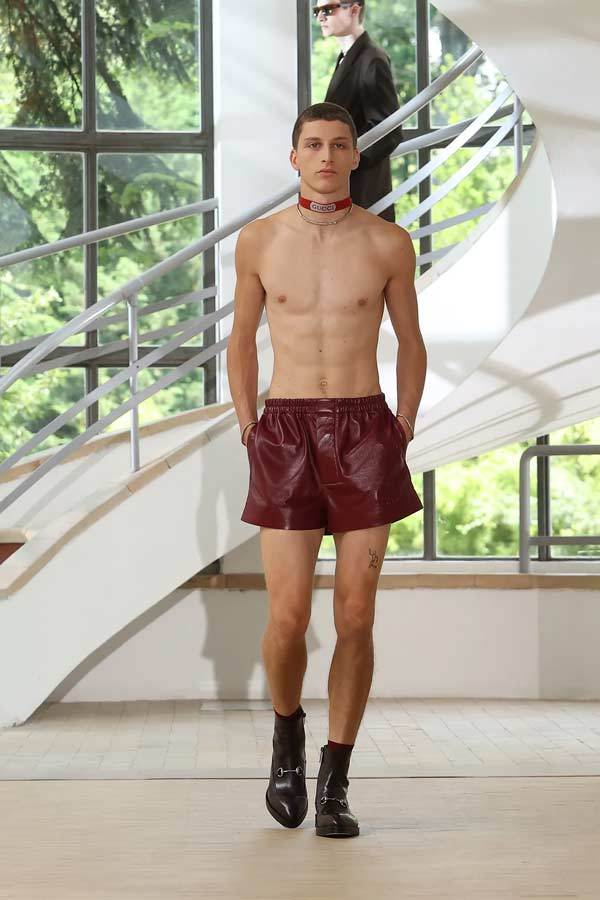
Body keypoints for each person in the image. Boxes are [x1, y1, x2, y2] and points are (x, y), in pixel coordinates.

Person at [226, 101, 426, 838]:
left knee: (356, 616)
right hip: (284, 431)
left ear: (354, 157)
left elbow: (411, 339)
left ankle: (335, 781)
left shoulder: (388, 242)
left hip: (366, 430)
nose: (326, 156)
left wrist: (403, 423)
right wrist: (248, 425)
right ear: (295, 157)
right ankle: (287, 737)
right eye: (313, 144)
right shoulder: (259, 241)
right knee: (287, 618)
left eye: (339, 144)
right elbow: (240, 339)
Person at [316, 0, 404, 222]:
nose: (320, 17)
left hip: (363, 194)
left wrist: (343, 160)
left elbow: (388, 131)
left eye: (328, 9)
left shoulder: (372, 60)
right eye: (316, 11)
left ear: (354, 10)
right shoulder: (348, 57)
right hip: (346, 192)